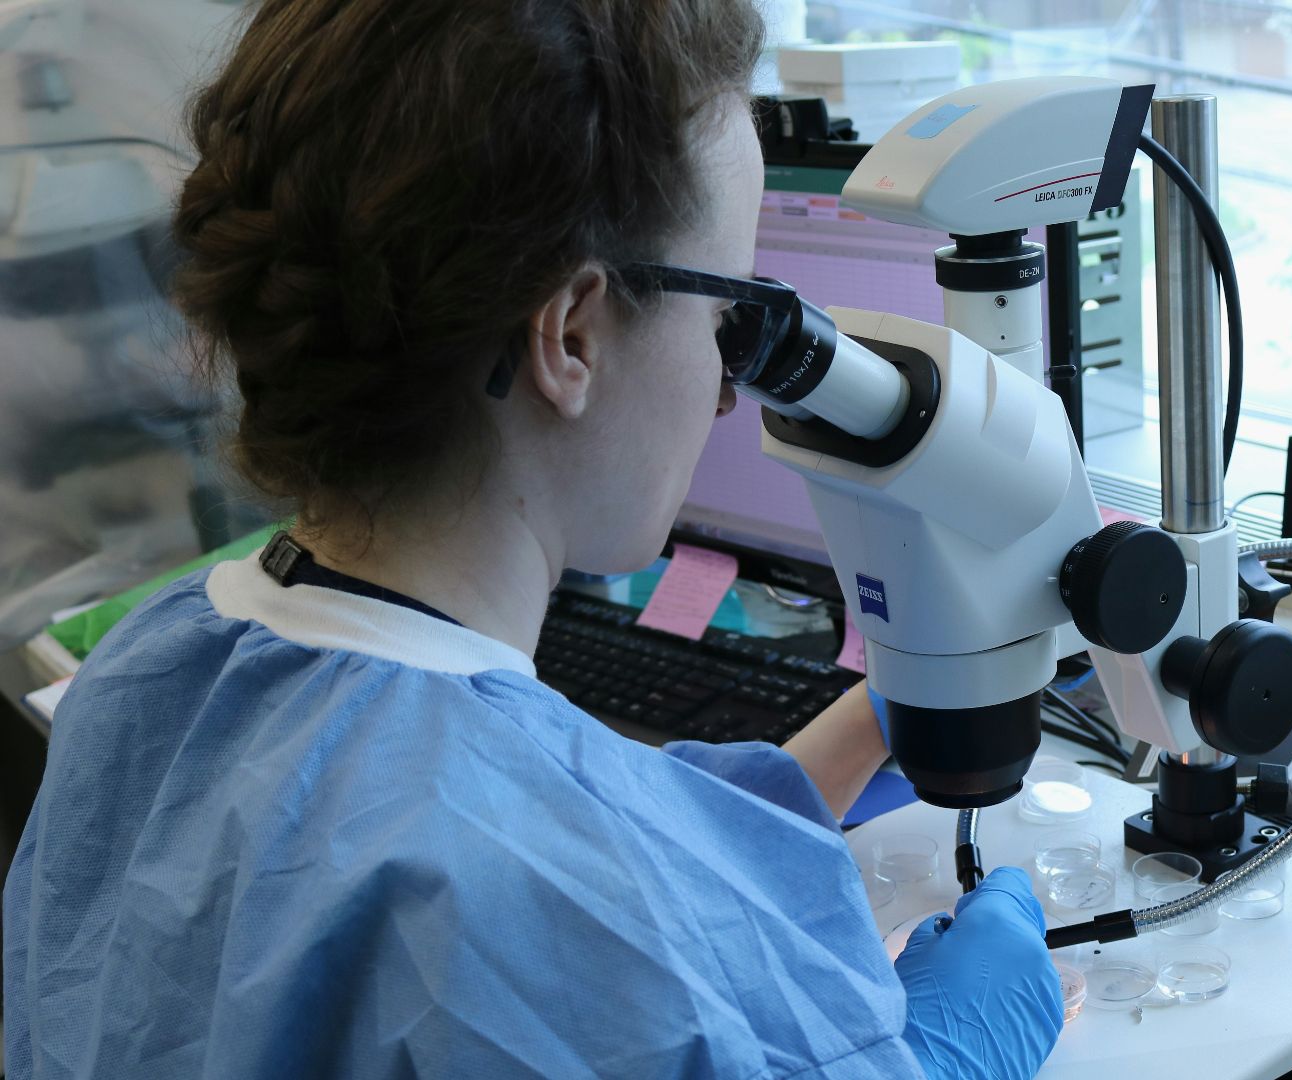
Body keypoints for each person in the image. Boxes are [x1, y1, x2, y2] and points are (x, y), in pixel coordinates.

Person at [1, 1, 1064, 1076]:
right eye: (729, 316)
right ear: (571, 336)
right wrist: (942, 1062)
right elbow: (540, 904)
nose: (727, 390)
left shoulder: (155, 669)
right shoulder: (530, 897)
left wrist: (794, 783)